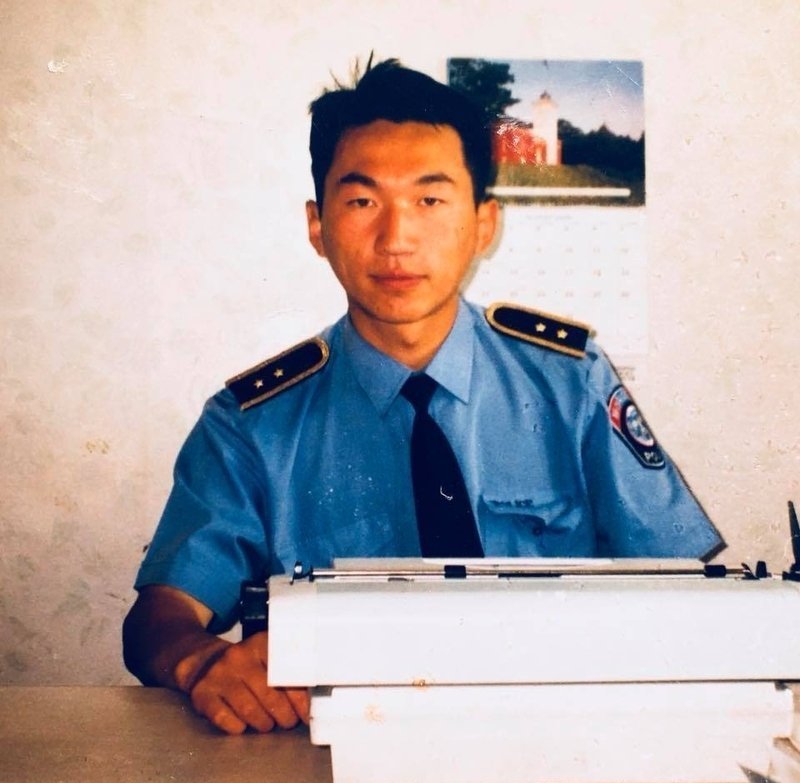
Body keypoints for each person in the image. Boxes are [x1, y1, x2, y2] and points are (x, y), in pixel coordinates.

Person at [122, 58, 723, 736]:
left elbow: (679, 584)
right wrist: (201, 662)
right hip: (339, 753)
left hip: (557, 740)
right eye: (362, 202)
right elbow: (159, 616)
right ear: (318, 227)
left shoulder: (569, 384)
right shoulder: (251, 425)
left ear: (484, 225)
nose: (396, 239)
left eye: (430, 201)